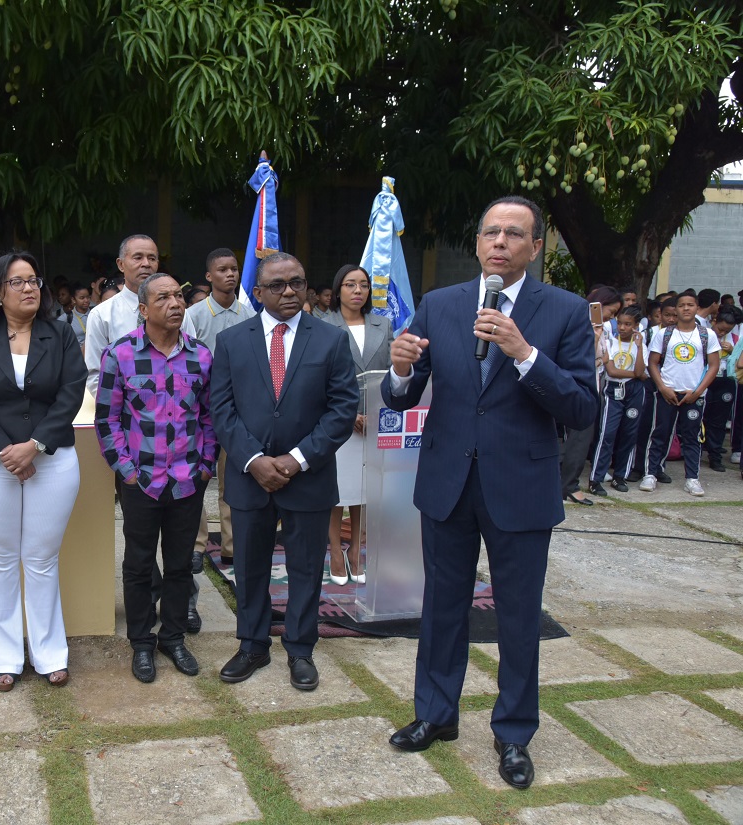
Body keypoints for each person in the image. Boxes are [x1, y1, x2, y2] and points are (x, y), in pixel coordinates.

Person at [381, 195, 598, 790]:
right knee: (442, 608)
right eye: (491, 232)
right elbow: (401, 398)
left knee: (520, 616)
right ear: (477, 244)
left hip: (521, 487)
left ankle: (514, 733)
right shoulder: (440, 304)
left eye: (514, 234)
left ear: (535, 246)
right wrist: (399, 369)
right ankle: (435, 714)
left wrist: (524, 355)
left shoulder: (565, 311)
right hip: (449, 482)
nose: (500, 242)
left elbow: (581, 406)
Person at [211, 253, 358, 692]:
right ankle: (252, 645)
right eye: (277, 285)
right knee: (250, 567)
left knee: (306, 568)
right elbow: (221, 409)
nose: (289, 291)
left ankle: (300, 649)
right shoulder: (232, 341)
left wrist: (297, 459)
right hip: (249, 476)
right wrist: (255, 460)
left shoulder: (330, 340)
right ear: (258, 293)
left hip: (308, 477)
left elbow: (341, 408)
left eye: (297, 282)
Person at [0, 251, 85, 692]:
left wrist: (34, 447)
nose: (30, 288)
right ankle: (3, 656)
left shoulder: (61, 334)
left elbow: (70, 395)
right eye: (18, 282)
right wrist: (6, 452)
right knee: (0, 560)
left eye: (34, 280)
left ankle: (50, 653)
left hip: (52, 460)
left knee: (41, 560)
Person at [95, 273, 217, 684]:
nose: (176, 303)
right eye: (163, 297)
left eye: (178, 296)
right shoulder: (120, 355)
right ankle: (142, 643)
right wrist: (126, 470)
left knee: (182, 565)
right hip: (141, 481)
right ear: (144, 310)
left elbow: (208, 417)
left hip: (187, 479)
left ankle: (174, 638)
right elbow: (107, 419)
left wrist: (205, 466)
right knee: (139, 565)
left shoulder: (201, 356)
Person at [323, 264, 393, 585]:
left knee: (365, 492)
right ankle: (335, 551)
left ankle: (356, 550)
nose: (357, 291)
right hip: (339, 422)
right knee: (338, 491)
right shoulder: (323, 325)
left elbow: (391, 374)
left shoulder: (384, 325)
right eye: (350, 285)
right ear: (338, 291)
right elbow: (317, 379)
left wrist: (379, 412)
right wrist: (347, 414)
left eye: (363, 285)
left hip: (375, 421)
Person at [186, 249, 254, 577]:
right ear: (209, 276)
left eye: (234, 268)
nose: (230, 274)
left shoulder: (249, 315)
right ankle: (198, 545)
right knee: (198, 479)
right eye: (222, 269)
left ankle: (231, 546)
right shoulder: (194, 315)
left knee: (232, 481)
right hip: (200, 411)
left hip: (236, 412)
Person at [84, 235, 194, 398]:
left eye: (152, 258)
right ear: (121, 264)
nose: (146, 264)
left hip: (174, 412)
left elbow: (192, 363)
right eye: (138, 257)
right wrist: (130, 411)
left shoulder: (176, 310)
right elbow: (95, 376)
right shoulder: (102, 315)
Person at [640, 290, 720, 496]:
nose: (686, 308)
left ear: (696, 308)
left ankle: (692, 478)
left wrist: (698, 391)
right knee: (660, 433)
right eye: (682, 305)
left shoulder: (706, 334)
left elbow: (713, 366)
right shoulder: (664, 334)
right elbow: (652, 363)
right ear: (675, 310)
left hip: (693, 395)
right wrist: (663, 387)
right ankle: (651, 473)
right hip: (668, 392)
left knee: (692, 437)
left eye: (690, 305)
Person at [559, 286, 621, 506]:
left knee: (582, 437)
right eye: (611, 312)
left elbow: (605, 359)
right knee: (579, 436)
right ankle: (569, 485)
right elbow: (582, 356)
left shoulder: (602, 328)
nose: (611, 318)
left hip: (595, 385)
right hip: (579, 387)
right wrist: (594, 338)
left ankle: (566, 482)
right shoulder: (580, 324)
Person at [589, 305, 646, 495]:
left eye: (628, 324)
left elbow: (640, 371)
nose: (622, 328)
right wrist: (635, 375)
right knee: (607, 434)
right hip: (614, 389)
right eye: (620, 323)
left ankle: (620, 475)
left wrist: (638, 347)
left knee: (629, 434)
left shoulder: (641, 345)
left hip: (634, 391)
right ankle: (596, 478)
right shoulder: (611, 343)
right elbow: (612, 371)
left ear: (636, 326)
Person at [629, 297, 678, 482]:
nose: (671, 319)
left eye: (675, 315)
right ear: (659, 316)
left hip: (671, 386)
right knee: (645, 426)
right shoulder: (649, 334)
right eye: (666, 315)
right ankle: (638, 466)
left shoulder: (681, 336)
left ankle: (658, 466)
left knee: (665, 428)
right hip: (650, 384)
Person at [703, 306, 739, 472]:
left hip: (725, 381)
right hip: (705, 380)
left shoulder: (736, 339)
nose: (722, 333)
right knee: (701, 417)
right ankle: (696, 452)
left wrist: (733, 351)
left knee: (719, 421)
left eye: (727, 330)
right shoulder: (703, 335)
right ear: (714, 322)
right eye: (720, 329)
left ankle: (715, 456)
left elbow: (739, 361)